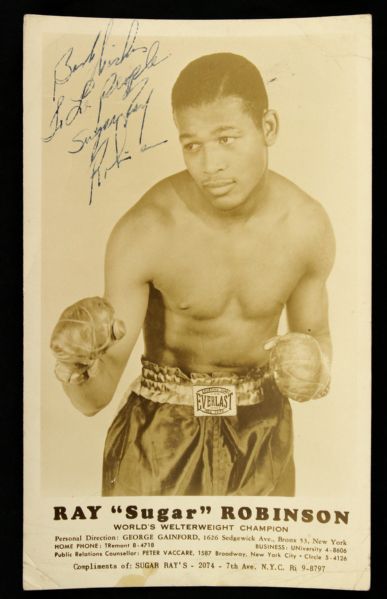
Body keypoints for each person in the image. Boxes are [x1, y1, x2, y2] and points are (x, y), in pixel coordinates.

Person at [50, 53, 335, 496]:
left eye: (226, 139)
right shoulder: (146, 229)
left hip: (262, 433)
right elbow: (95, 398)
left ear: (269, 128)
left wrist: (315, 369)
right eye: (192, 145)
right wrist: (74, 366)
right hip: (158, 440)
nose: (209, 165)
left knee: (260, 568)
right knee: (139, 569)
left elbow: (319, 344)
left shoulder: (306, 226)